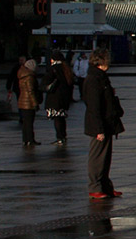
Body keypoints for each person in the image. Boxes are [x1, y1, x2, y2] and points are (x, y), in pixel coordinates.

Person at [82, 48, 124, 199]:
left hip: (106, 122)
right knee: (98, 156)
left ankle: (105, 186)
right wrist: (98, 129)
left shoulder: (100, 77)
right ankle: (95, 186)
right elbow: (94, 106)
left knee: (105, 157)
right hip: (99, 123)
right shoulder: (94, 79)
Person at [43, 50, 74, 146]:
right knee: (61, 118)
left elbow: (45, 82)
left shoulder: (54, 69)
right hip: (64, 98)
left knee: (57, 118)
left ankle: (59, 137)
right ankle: (63, 136)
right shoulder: (66, 68)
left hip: (55, 97)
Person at [17, 59, 41, 148]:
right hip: (28, 103)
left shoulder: (22, 75)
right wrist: (35, 103)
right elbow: (31, 91)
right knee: (30, 122)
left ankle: (25, 139)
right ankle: (30, 140)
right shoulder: (29, 77)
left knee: (25, 123)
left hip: (22, 101)